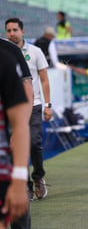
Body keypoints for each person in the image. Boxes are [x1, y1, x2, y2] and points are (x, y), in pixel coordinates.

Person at [5, 18, 53, 201]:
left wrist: (48, 105)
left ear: (22, 31)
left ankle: (38, 176)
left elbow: (44, 79)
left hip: (33, 105)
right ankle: (25, 185)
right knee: (16, 147)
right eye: (8, 30)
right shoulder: (4, 53)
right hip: (11, 106)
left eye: (15, 30)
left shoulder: (35, 51)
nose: (12, 33)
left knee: (33, 142)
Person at [0, 40, 33, 229]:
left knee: (17, 218)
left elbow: (21, 124)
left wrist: (20, 179)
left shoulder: (6, 55)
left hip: (4, 162)